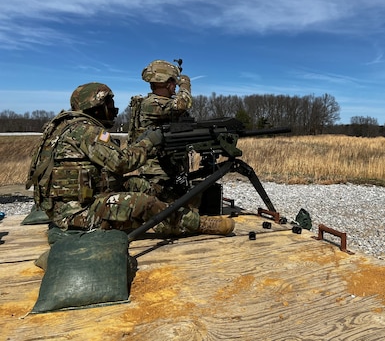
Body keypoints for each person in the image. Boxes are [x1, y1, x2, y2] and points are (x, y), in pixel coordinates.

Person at [26, 82, 234, 236]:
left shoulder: (66, 127)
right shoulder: (86, 131)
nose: (114, 112)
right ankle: (197, 224)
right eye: (111, 106)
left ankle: (178, 208)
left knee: (138, 184)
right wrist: (150, 141)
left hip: (70, 204)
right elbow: (122, 163)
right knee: (143, 203)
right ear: (96, 106)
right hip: (76, 214)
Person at [130, 60, 193, 202]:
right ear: (167, 83)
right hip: (158, 172)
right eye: (174, 82)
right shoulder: (151, 103)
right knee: (166, 211)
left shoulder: (161, 102)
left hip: (170, 168)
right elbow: (182, 104)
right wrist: (185, 83)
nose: (175, 86)